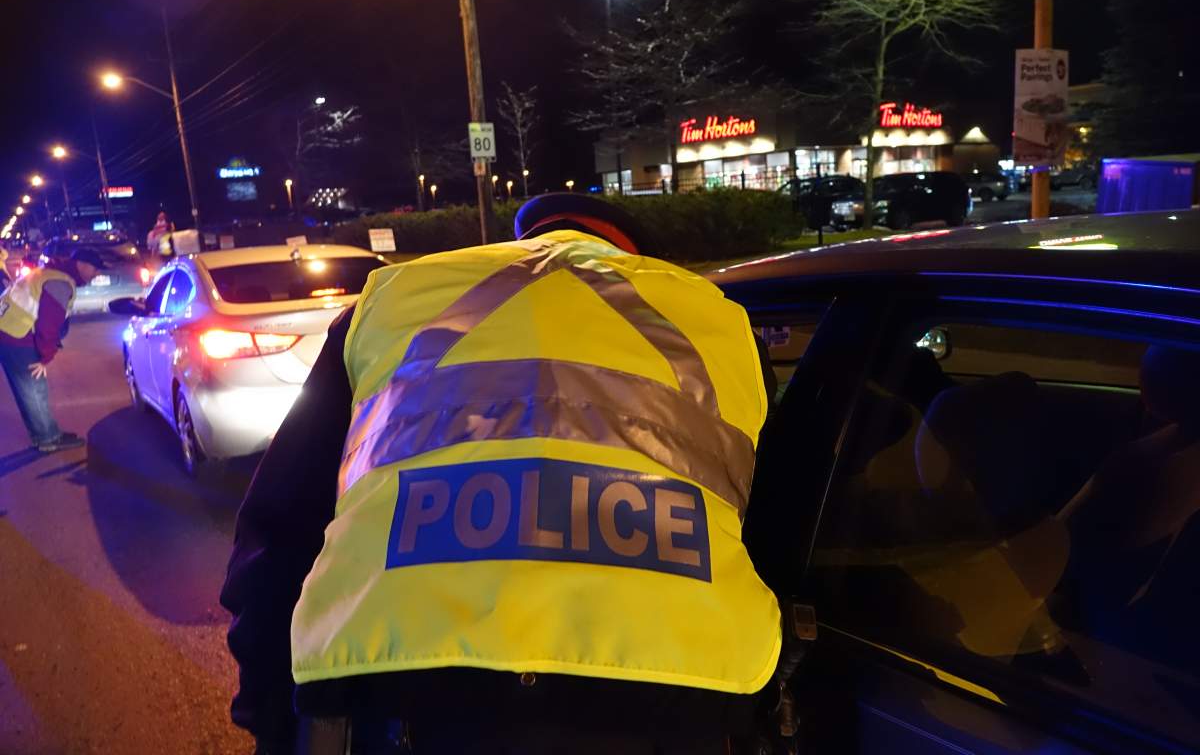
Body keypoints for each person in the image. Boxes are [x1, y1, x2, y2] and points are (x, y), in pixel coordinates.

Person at [221, 194, 781, 754]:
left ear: (522, 243)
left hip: (402, 698)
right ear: (640, 262)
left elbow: (276, 539)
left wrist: (270, 718)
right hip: (676, 702)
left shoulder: (391, 306)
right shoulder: (719, 328)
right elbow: (780, 534)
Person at [0, 247, 105, 453]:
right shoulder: (60, 283)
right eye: (95, 269)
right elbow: (48, 326)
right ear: (82, 265)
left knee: (26, 391)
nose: (97, 274)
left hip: (8, 332)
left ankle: (42, 435)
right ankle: (48, 439)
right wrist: (45, 357)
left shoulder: (49, 273)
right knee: (34, 391)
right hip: (17, 337)